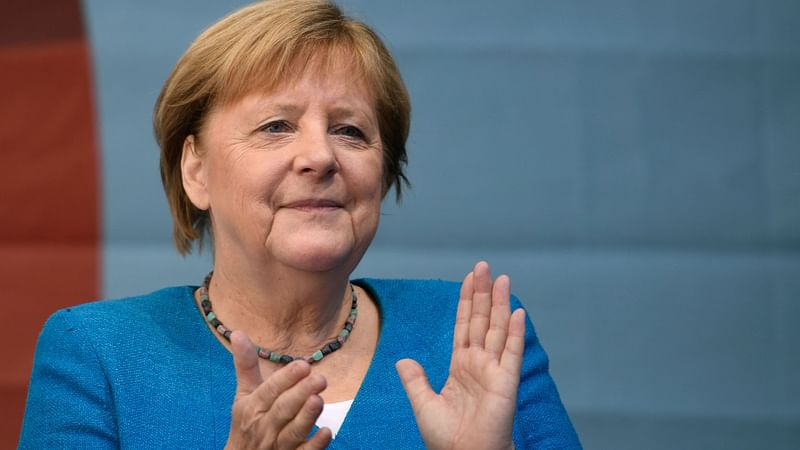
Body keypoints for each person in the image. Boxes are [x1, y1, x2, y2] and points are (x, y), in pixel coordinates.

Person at [19, 0, 582, 448]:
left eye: (350, 131)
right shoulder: (98, 354)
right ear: (197, 171)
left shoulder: (473, 335)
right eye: (274, 126)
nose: (321, 156)